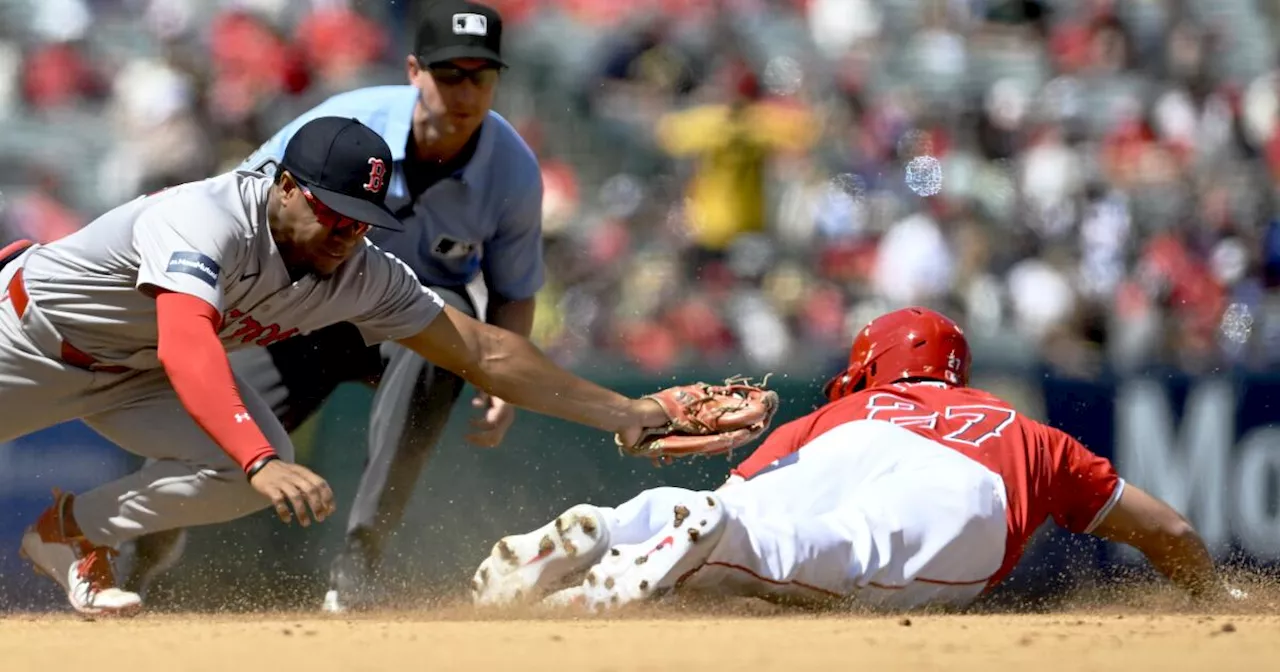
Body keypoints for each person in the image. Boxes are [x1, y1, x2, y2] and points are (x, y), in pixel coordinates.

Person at [1, 115, 673, 616]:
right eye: (334, 213)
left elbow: (482, 351)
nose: (347, 234)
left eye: (362, 221)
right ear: (287, 187)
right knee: (260, 460)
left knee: (246, 471)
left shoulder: (361, 271)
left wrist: (632, 412)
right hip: (27, 339)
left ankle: (69, 530)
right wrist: (262, 460)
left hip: (134, 373)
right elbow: (186, 344)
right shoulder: (205, 217)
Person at [123, 0, 546, 613]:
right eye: (449, 72)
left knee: (449, 311)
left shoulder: (512, 170)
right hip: (294, 314)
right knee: (202, 434)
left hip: (404, 327)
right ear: (413, 71)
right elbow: (235, 207)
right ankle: (135, 561)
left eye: (479, 75)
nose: (465, 90)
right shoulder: (342, 125)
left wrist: (508, 382)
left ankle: (360, 562)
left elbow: (513, 291)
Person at [471, 307, 1239, 612]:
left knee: (744, 520)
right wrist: (1210, 595)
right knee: (835, 550)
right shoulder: (1022, 428)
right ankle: (701, 540)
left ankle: (611, 526)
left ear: (872, 366)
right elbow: (1165, 530)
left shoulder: (836, 409)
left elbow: (743, 486)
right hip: (966, 486)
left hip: (835, 449)